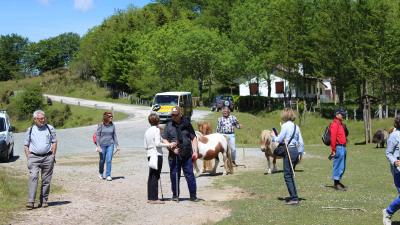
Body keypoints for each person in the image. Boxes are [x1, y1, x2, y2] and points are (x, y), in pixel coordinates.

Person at [162, 106, 199, 202]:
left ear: (180, 114)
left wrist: (195, 151)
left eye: (175, 115)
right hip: (173, 154)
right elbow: (164, 139)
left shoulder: (187, 124)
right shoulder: (169, 125)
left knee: (190, 175)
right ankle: (175, 195)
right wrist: (170, 147)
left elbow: (193, 137)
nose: (173, 117)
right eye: (172, 115)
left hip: (187, 154)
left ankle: (193, 196)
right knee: (174, 175)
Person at [24, 110, 57, 209]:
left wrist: (53, 156)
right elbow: (26, 145)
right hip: (34, 157)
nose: (43, 120)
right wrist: (29, 157)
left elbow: (54, 142)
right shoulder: (30, 130)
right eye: (40, 119)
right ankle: (31, 201)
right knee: (33, 177)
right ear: (35, 119)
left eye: (44, 118)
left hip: (48, 157)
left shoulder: (50, 128)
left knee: (46, 180)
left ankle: (44, 200)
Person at [272, 108, 304, 205]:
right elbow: (301, 142)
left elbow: (278, 139)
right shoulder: (296, 126)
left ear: (284, 116)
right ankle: (294, 196)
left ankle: (294, 198)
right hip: (295, 151)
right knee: (290, 175)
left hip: (288, 151)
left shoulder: (285, 126)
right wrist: (300, 154)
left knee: (287, 176)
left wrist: (273, 135)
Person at [144, 113, 176, 204]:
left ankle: (150, 197)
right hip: (156, 154)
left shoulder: (147, 131)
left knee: (151, 175)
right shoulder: (157, 130)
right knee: (155, 176)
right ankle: (154, 198)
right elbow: (158, 144)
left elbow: (145, 145)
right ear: (157, 121)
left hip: (149, 154)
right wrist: (169, 144)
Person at [383, 116, 400, 225]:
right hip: (398, 170)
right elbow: (388, 153)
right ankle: (388, 212)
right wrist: (395, 161)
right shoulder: (394, 136)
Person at [96, 111, 120, 181]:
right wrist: (98, 145)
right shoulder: (100, 125)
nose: (111, 117)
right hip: (102, 145)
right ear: (106, 117)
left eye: (112, 116)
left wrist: (117, 146)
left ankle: (108, 175)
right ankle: (100, 173)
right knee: (102, 160)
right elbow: (97, 135)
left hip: (110, 144)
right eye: (109, 116)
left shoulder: (112, 125)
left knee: (109, 160)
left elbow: (114, 135)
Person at [329, 108, 348, 191]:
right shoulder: (335, 124)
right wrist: (333, 150)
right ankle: (336, 184)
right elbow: (333, 138)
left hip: (343, 147)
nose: (343, 115)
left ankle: (338, 182)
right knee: (338, 166)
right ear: (337, 115)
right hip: (338, 147)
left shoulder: (340, 124)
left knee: (342, 166)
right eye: (341, 114)